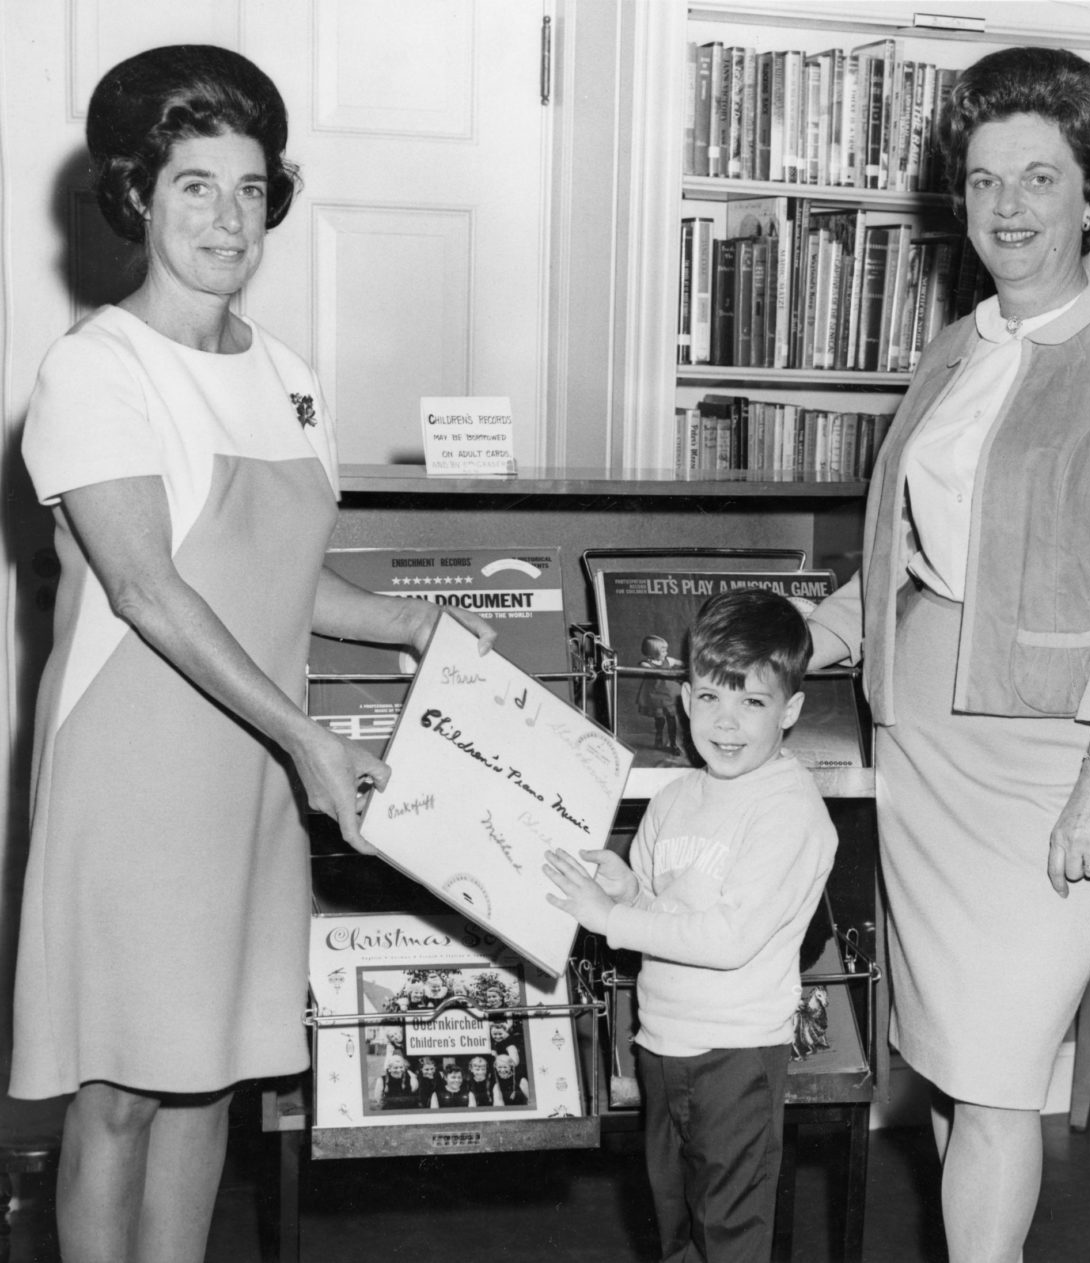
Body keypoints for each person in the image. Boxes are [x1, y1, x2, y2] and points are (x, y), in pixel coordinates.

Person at [7, 44, 494, 1263]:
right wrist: (308, 736)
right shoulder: (94, 367)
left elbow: (275, 573)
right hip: (137, 770)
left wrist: (416, 624)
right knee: (117, 1090)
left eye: (249, 187)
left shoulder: (288, 378)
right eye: (192, 185)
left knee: (213, 1075)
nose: (229, 218)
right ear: (135, 195)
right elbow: (148, 587)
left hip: (254, 772)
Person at [805, 46, 1090, 1263]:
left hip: (1053, 760)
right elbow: (905, 554)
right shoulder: (953, 349)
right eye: (986, 177)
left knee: (1000, 1077)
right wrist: (809, 631)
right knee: (954, 1071)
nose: (1008, 206)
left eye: (1041, 177)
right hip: (926, 745)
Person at [545, 590, 838, 1262]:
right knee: (675, 1226)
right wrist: (629, 891)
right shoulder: (676, 798)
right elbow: (665, 912)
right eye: (710, 697)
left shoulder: (788, 811)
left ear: (790, 708)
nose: (726, 722)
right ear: (684, 697)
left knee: (731, 1233)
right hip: (664, 1045)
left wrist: (611, 916)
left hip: (736, 1055)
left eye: (752, 702)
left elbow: (729, 937)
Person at [635, 633, 684, 755]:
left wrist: (686, 667)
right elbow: (655, 672)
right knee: (659, 718)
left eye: (666, 650)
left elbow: (683, 663)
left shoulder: (669, 660)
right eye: (663, 651)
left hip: (669, 695)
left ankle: (673, 744)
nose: (666, 653)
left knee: (672, 719)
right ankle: (659, 737)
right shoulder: (645, 664)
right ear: (652, 652)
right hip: (655, 695)